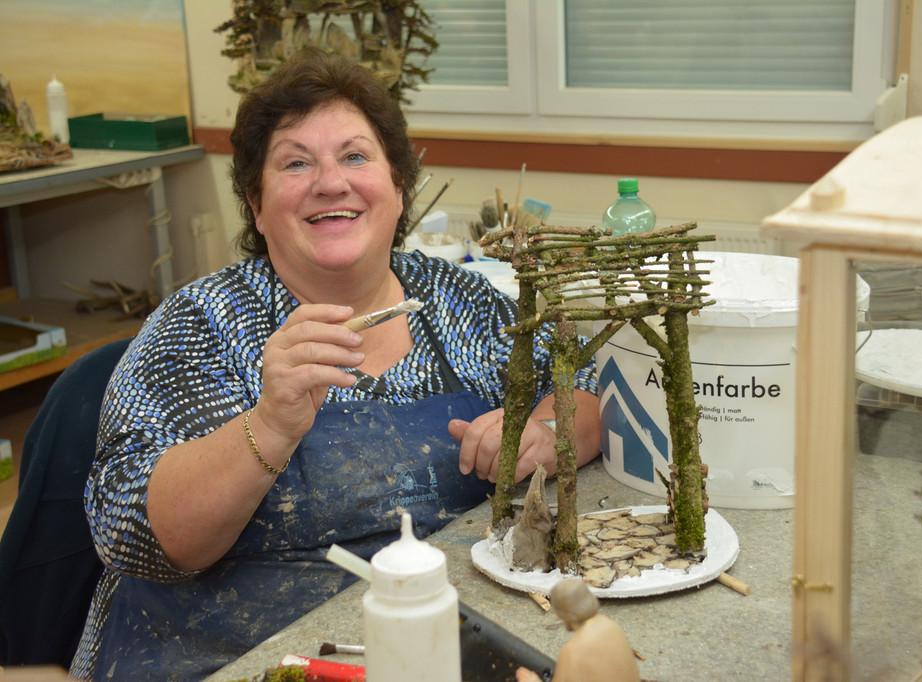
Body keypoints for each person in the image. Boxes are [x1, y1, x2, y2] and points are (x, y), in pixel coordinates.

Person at [68, 48, 600, 681]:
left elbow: (586, 393)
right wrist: (270, 425)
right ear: (256, 204)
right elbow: (139, 536)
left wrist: (544, 433)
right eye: (296, 163)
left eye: (354, 156)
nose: (330, 183)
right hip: (220, 658)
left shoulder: (463, 303)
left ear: (398, 188)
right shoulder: (201, 325)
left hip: (430, 637)